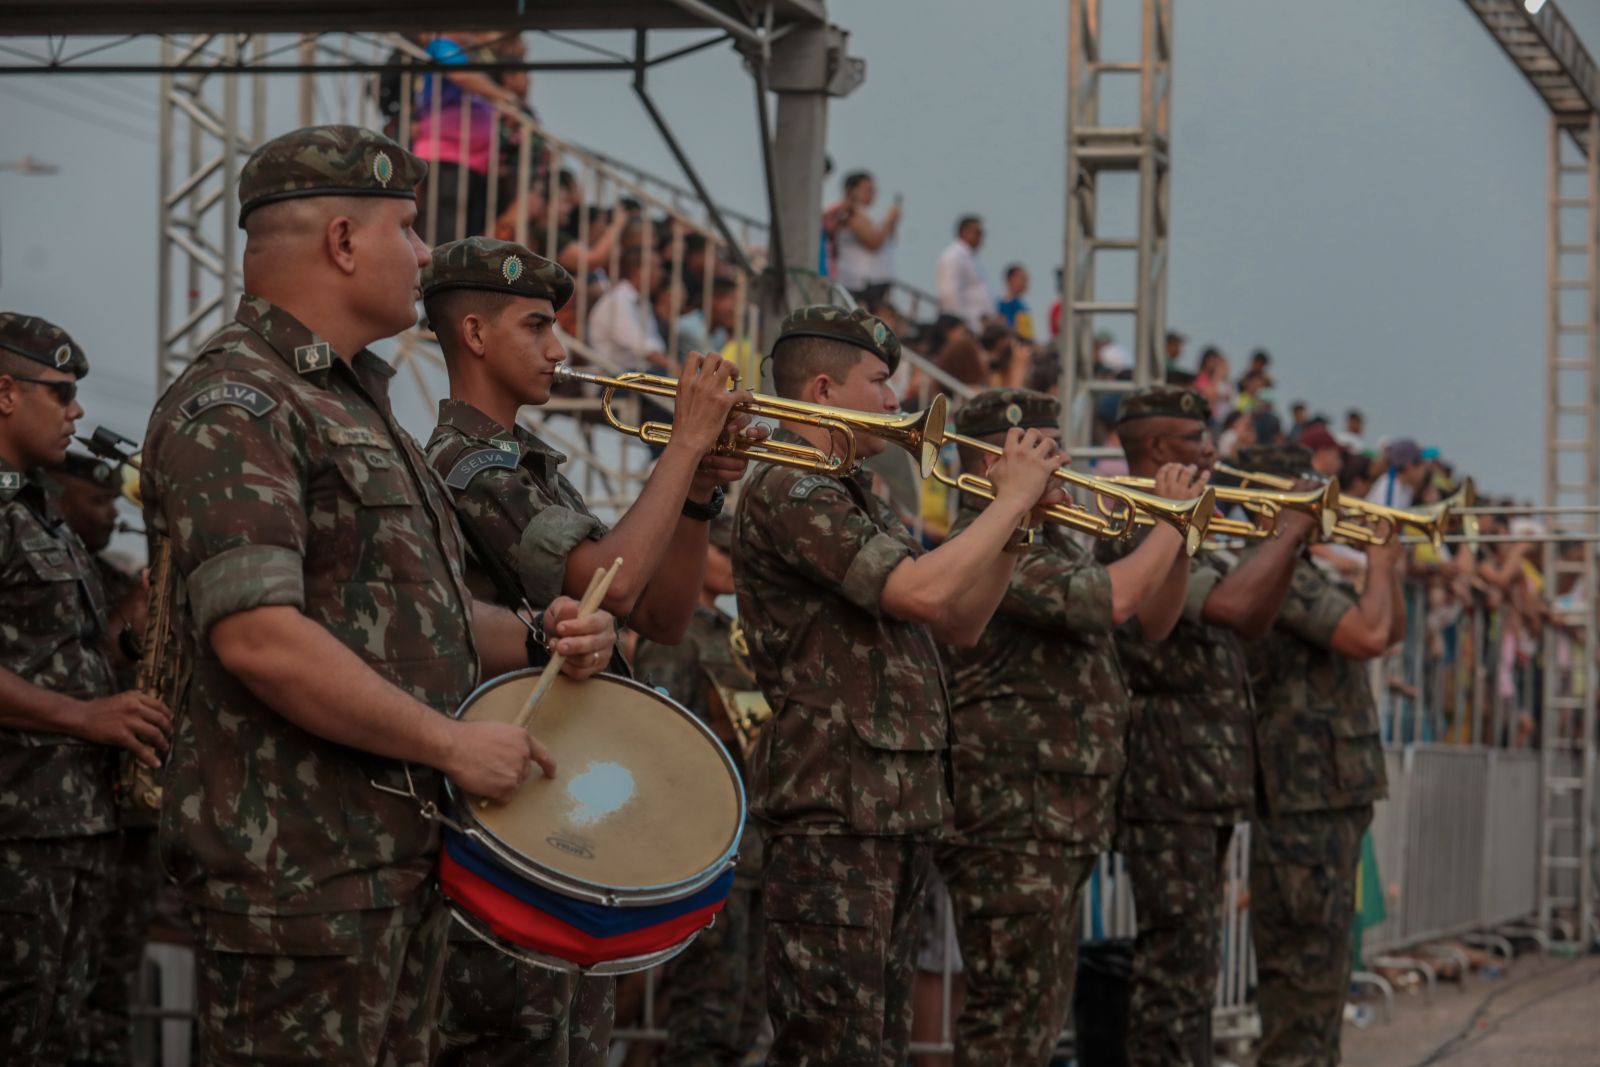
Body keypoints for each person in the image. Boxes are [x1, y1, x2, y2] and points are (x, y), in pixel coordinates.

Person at [141, 124, 618, 1066]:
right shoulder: (240, 400)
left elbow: (415, 614)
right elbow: (258, 636)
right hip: (300, 880)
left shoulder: (358, 405)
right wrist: (450, 742)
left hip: (392, 865)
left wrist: (537, 639)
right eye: (408, 229)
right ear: (344, 242)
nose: (425, 256)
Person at [420, 235, 754, 1065]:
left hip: (559, 803)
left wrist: (703, 486)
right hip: (510, 811)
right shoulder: (468, 465)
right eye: (537, 326)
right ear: (474, 334)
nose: (560, 349)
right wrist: (682, 443)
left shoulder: (533, 468)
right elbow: (614, 581)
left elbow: (667, 614)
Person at [732, 305, 1061, 1065]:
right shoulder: (789, 484)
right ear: (822, 388)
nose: (895, 399)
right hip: (832, 809)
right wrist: (1007, 498)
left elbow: (964, 620)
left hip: (888, 804)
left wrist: (1016, 525)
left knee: (877, 1046)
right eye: (880, 382)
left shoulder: (857, 490)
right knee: (833, 1046)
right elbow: (917, 592)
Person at [936, 388, 1204, 1065]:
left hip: (1053, 812)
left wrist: (1176, 535)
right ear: (999, 460)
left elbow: (1158, 620)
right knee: (1008, 1018)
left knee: (1036, 1013)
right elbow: (1113, 602)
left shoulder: (1049, 534)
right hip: (1010, 816)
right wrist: (1169, 521)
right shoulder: (990, 539)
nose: (1061, 465)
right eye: (1045, 451)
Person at [1101, 386, 1319, 1067]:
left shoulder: (1191, 527)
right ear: (1159, 448)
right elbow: (1226, 607)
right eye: (1196, 438)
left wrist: (1291, 539)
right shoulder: (1140, 526)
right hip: (1167, 781)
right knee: (1174, 969)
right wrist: (1285, 531)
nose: (1211, 449)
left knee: (1192, 966)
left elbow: (1254, 617)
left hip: (1201, 781)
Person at [0, 314, 162, 1065]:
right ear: (5, 392)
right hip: (17, 827)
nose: (77, 411)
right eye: (61, 391)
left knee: (62, 1037)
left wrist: (138, 622)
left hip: (71, 823)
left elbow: (69, 657)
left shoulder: (39, 515)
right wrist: (85, 716)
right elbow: (72, 699)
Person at [1238, 443, 1400, 1067]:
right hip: (1301, 800)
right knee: (1301, 993)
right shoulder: (1275, 575)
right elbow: (1367, 634)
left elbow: (1391, 633)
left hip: (1328, 797)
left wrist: (1390, 565)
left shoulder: (1301, 571)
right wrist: (1378, 565)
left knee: (1322, 989)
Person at [633, 515, 767, 1066]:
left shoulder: (729, 634)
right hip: (706, 846)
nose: (733, 562)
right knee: (705, 1012)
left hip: (752, 844)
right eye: (721, 550)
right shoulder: (677, 633)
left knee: (746, 1010)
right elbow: (660, 738)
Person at [51, 449, 162, 1067]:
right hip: (51, 812)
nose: (112, 513)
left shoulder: (114, 578)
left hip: (122, 816)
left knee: (107, 982)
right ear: (58, 497)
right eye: (97, 500)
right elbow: (71, 675)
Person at [414, 32, 518, 243]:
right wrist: (504, 95)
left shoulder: (474, 54)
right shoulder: (441, 44)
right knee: (442, 230)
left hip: (471, 162)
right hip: (446, 155)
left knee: (461, 230)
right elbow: (460, 74)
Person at [589, 244, 667, 372]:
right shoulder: (618, 300)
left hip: (635, 374)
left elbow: (656, 347)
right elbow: (644, 348)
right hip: (613, 380)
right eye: (656, 268)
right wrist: (677, 369)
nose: (661, 274)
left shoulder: (641, 301)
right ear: (638, 271)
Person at [829, 170, 901, 305]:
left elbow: (889, 240)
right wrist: (889, 220)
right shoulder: (851, 214)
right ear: (852, 191)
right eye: (868, 190)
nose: (872, 194)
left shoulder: (866, 214)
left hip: (875, 282)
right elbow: (874, 243)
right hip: (861, 284)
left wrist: (892, 224)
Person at [935, 216, 994, 332]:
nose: (981, 238)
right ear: (964, 232)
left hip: (978, 326)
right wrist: (960, 325)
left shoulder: (972, 258)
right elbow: (949, 294)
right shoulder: (953, 256)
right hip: (964, 326)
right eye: (978, 233)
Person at [1368, 437, 1428, 509]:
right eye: (1421, 464)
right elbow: (1387, 519)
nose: (1424, 468)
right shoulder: (1389, 487)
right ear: (1409, 466)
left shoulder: (1407, 487)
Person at [996, 264, 1034, 340]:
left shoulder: (1021, 305)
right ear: (1010, 279)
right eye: (1022, 278)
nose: (1025, 282)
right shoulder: (1002, 304)